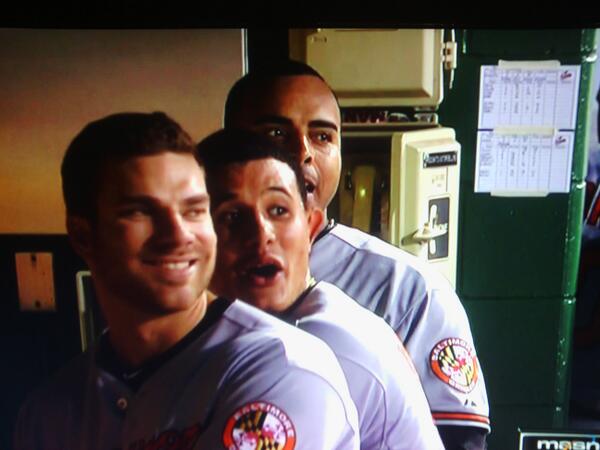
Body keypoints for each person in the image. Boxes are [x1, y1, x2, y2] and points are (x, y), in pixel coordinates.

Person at [14, 112, 360, 450]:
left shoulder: (281, 370)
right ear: (83, 236)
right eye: (140, 212)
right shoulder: (49, 411)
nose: (178, 236)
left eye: (194, 210)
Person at [223, 60, 491, 449]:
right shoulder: (194, 278)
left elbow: (459, 442)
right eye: (276, 132)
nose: (303, 153)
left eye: (322, 137)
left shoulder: (409, 290)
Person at [198, 128, 445, 450]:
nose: (260, 235)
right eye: (232, 216)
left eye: (278, 211)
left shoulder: (312, 349)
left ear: (312, 228)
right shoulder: (282, 320)